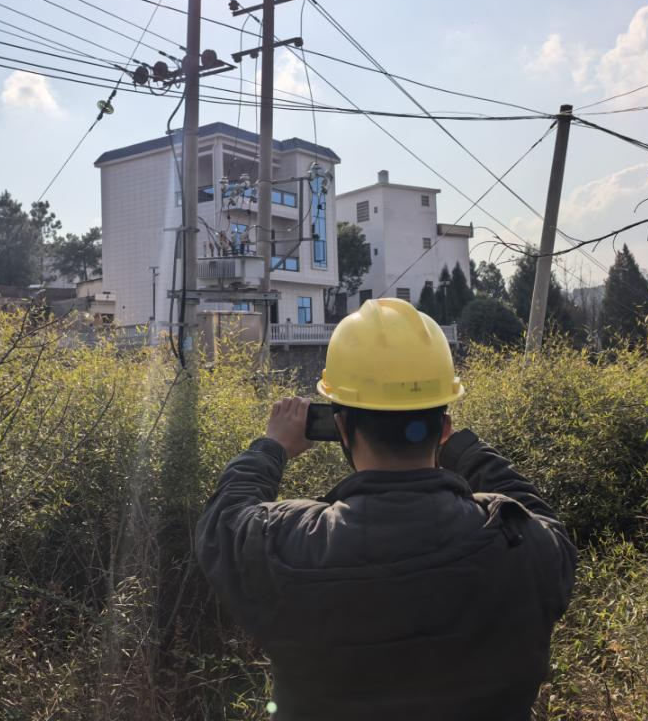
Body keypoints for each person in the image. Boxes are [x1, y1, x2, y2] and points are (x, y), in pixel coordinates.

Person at [196, 298, 577, 720]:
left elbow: (223, 521)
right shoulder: (517, 539)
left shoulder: (288, 543)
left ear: (342, 427)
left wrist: (272, 447)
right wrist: (465, 450)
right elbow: (543, 520)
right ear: (443, 426)